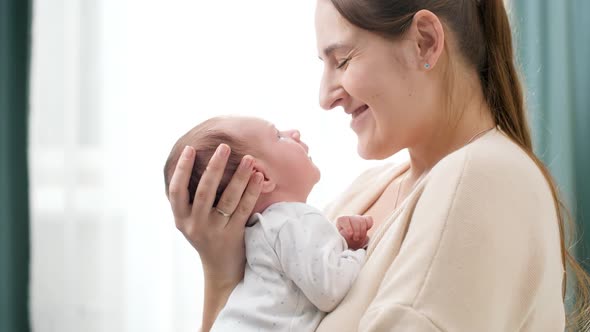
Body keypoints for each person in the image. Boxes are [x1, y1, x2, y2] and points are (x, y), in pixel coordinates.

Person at [166, 0, 590, 331]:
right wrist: (222, 274)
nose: (325, 96)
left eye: (343, 60)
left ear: (425, 41)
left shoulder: (483, 179)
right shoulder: (363, 193)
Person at [163, 116, 373, 331]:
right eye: (279, 136)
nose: (294, 132)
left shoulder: (258, 233)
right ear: (261, 177)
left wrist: (341, 243)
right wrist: (357, 251)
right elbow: (330, 289)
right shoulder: (294, 220)